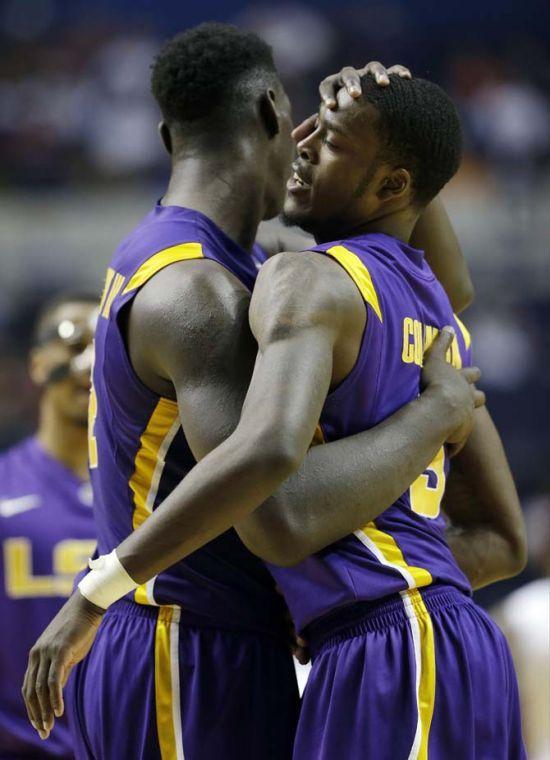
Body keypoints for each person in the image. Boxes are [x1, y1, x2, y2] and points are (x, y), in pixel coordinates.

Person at [23, 25, 482, 760]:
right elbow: (280, 510)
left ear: (169, 133)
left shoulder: (217, 261)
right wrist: (438, 412)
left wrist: (404, 147)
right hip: (184, 643)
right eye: (305, 122)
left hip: (209, 639)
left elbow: (441, 291)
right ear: (274, 109)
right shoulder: (201, 293)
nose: (305, 146)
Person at [0, 294, 97, 758]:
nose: (88, 360)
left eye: (103, 345)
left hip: (118, 742)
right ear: (37, 365)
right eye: (71, 341)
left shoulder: (151, 500)